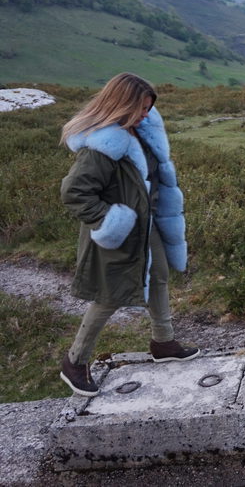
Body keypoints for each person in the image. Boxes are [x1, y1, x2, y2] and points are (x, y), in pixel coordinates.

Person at [59, 73, 198, 397]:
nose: (147, 114)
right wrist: (111, 221)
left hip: (145, 228)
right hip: (118, 233)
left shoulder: (141, 131)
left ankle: (163, 343)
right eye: (142, 107)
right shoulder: (103, 145)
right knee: (110, 296)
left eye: (150, 108)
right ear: (122, 105)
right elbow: (75, 192)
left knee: (159, 275)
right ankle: (74, 362)